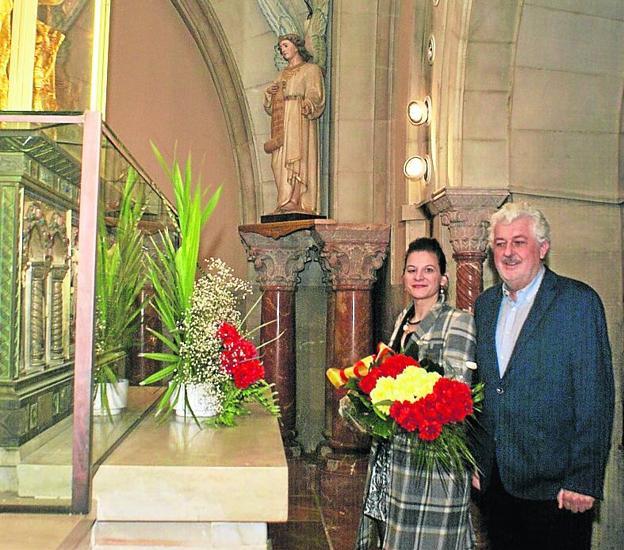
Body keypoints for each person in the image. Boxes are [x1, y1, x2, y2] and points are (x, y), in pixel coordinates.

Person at [472, 202, 615, 550]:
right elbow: (483, 390)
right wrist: (476, 461)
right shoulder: (486, 305)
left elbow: (595, 397)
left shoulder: (577, 303)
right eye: (501, 243)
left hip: (557, 490)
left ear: (543, 248)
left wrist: (584, 478)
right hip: (496, 484)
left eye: (519, 242)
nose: (508, 253)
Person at [356, 237, 477, 549]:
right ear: (403, 278)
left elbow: (458, 387)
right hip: (396, 456)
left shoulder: (457, 321)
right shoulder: (402, 320)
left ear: (443, 279)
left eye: (428, 270)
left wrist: (403, 389)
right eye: (412, 270)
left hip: (433, 460)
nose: (419, 277)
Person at [263, 33, 325, 214]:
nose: (283, 51)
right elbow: (268, 105)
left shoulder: (310, 70)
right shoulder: (281, 74)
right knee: (279, 161)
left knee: (296, 157)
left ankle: (296, 199)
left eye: (285, 46)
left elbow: (315, 93)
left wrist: (309, 103)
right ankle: (284, 199)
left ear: (296, 47)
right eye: (281, 47)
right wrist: (270, 93)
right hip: (282, 121)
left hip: (298, 119)